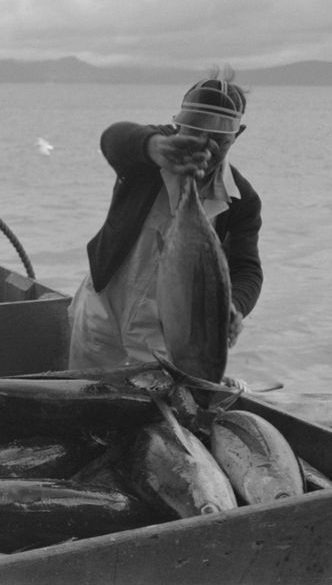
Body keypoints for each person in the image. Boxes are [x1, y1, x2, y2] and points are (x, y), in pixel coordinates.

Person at [67, 67, 263, 372]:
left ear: (237, 134)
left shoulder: (242, 200)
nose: (205, 146)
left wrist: (233, 304)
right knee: (83, 399)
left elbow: (247, 268)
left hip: (166, 336)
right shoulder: (148, 154)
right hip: (101, 313)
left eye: (220, 140)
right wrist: (154, 147)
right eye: (193, 132)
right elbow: (114, 138)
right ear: (177, 124)